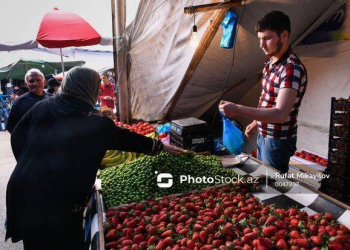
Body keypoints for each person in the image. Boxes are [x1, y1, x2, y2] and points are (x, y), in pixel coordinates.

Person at [5, 66, 186, 250]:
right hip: (55, 201)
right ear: (86, 88)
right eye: (97, 85)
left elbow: (17, 136)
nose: (100, 89)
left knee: (35, 244)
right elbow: (126, 139)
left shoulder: (43, 106)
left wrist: (30, 164)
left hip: (24, 187)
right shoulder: (94, 123)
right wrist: (160, 146)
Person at [219, 11, 307, 174]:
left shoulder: (291, 69)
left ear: (284, 36)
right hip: (264, 136)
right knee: (264, 181)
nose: (261, 44)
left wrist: (238, 109)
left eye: (267, 38)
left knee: (272, 187)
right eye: (260, 38)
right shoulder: (270, 63)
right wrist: (255, 122)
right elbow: (268, 99)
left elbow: (280, 114)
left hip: (277, 141)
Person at [6, 69, 51, 133]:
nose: (35, 83)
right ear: (26, 84)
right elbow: (11, 127)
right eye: (31, 81)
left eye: (38, 80)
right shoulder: (19, 102)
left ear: (44, 82)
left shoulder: (52, 99)